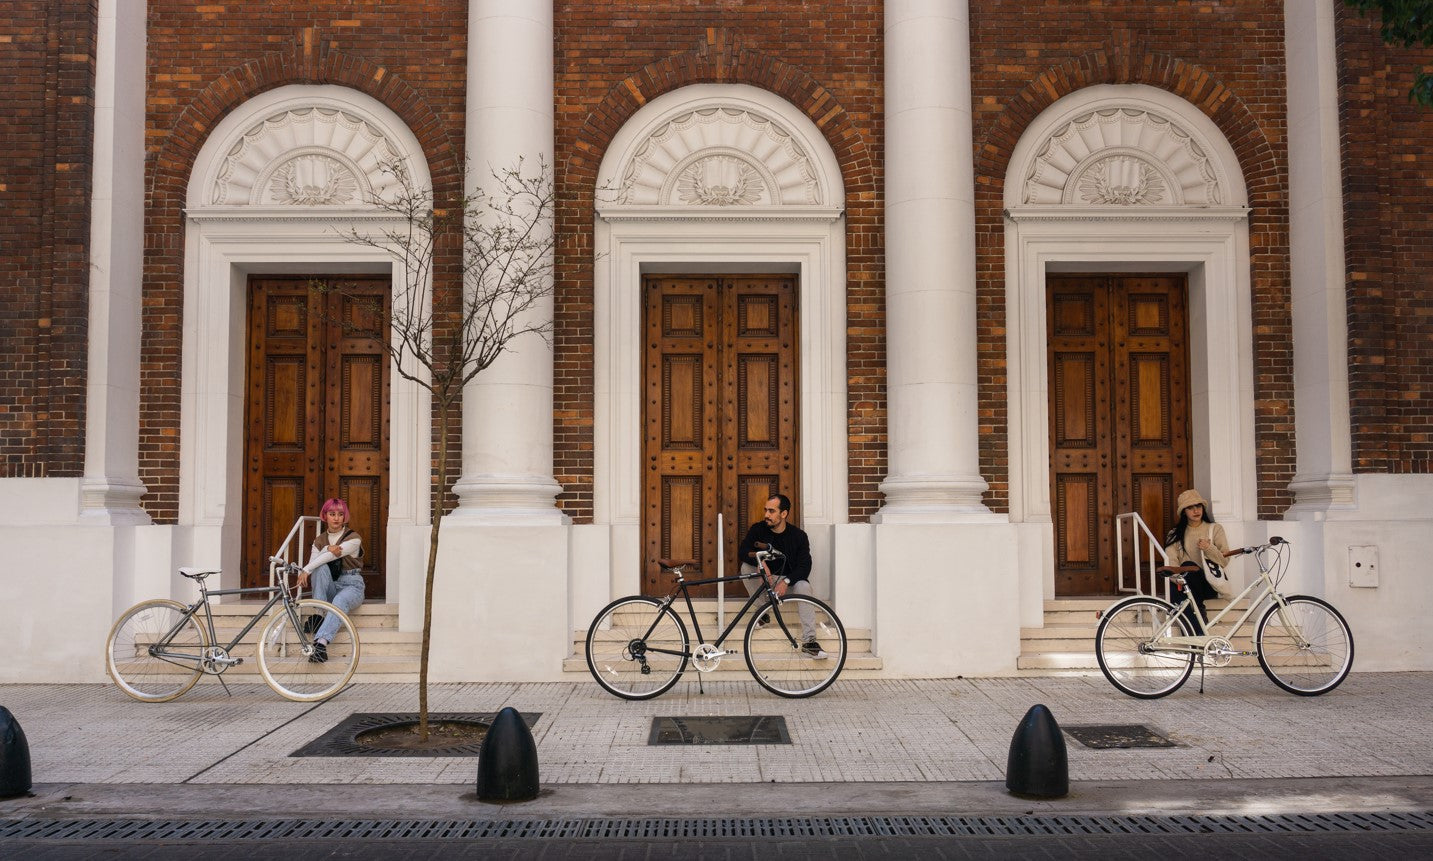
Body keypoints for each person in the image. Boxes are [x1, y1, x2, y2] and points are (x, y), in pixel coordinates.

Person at [736, 493, 826, 658]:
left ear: (783, 514)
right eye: (766, 510)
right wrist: (759, 561)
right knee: (746, 567)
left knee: (804, 586)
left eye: (771, 511)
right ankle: (763, 612)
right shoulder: (758, 529)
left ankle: (809, 642)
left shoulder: (798, 536)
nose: (766, 515)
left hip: (789, 584)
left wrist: (786, 580)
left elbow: (805, 566)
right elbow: (742, 551)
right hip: (767, 582)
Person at [1158, 489, 1244, 635]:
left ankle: (1195, 633)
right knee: (1179, 586)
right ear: (1183, 512)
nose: (1196, 510)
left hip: (1208, 583)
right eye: (1190, 507)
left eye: (1198, 506)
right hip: (1184, 583)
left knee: (1186, 573)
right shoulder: (1175, 534)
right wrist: (1176, 579)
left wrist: (1209, 548)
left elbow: (1224, 560)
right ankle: (1198, 635)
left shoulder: (1214, 529)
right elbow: (1172, 563)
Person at [296, 498, 364, 663]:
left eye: (340, 514)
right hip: (331, 585)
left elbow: (332, 555)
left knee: (340, 600)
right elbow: (315, 561)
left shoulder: (353, 538)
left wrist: (307, 568)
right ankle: (320, 614)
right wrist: (326, 548)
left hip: (352, 584)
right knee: (318, 567)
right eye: (332, 514)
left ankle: (320, 644)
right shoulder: (319, 540)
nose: (336, 518)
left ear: (344, 517)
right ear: (325, 516)